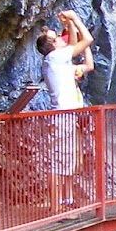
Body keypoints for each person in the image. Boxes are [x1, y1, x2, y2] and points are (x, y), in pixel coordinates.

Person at [37, 11, 94, 206]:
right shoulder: (55, 57)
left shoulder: (56, 58)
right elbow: (87, 40)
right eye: (57, 38)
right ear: (54, 44)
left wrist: (69, 23)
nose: (63, 39)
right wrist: (75, 17)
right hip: (62, 116)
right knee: (57, 161)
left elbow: (72, 43)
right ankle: (55, 205)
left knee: (66, 158)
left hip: (66, 115)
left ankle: (63, 201)